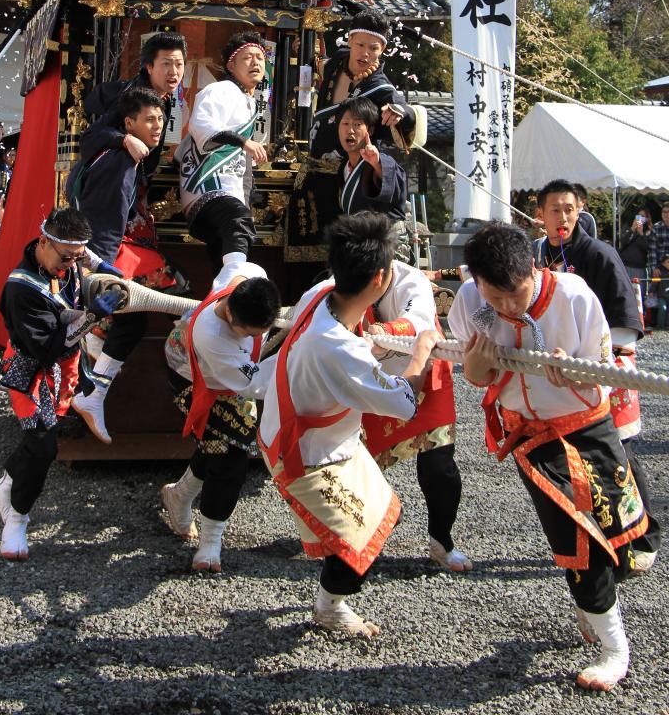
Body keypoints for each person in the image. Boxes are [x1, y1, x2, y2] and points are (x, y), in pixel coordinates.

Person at [450, 222, 651, 692]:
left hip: (586, 426)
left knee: (617, 535)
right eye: (494, 297)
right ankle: (614, 645)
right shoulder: (470, 303)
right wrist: (481, 360)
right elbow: (475, 376)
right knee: (575, 538)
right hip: (531, 437)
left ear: (534, 270)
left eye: (515, 295)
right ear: (476, 281)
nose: (507, 307)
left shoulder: (575, 296)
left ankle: (594, 609)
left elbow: (602, 377)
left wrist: (573, 376)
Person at [259, 212, 439, 637]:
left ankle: (329, 597)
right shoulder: (338, 348)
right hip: (305, 452)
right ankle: (330, 605)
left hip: (322, 437)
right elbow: (404, 403)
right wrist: (422, 350)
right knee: (363, 537)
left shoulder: (322, 293)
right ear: (380, 279)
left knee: (384, 513)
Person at [534, 179, 660, 566]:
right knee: (580, 454)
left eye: (569, 208)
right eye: (554, 209)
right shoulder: (539, 256)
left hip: (607, 364)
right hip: (560, 367)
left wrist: (603, 363)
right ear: (540, 215)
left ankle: (645, 536)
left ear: (581, 209)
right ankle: (605, 532)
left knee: (618, 451)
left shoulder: (601, 254)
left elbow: (624, 317)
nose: (563, 216)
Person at [0, 207, 120, 561]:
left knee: (40, 439)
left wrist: (105, 269)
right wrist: (95, 315)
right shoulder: (21, 288)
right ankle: (16, 519)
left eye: (76, 258)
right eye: (67, 258)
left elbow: (85, 255)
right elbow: (47, 347)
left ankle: (6, 485)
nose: (72, 264)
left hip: (65, 366)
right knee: (44, 446)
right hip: (33, 367)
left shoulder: (65, 257)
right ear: (44, 242)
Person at [161, 259, 280, 573]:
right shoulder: (214, 336)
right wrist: (297, 360)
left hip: (235, 376)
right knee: (230, 454)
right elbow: (255, 383)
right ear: (229, 314)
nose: (255, 336)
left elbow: (236, 260)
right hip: (192, 377)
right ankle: (211, 542)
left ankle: (180, 496)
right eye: (248, 333)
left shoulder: (250, 278)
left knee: (219, 444)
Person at [68, 86, 166, 444]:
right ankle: (92, 394)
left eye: (161, 119)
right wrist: (101, 273)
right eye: (149, 120)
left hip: (87, 249)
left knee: (129, 321)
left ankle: (93, 389)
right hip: (97, 253)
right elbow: (108, 221)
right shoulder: (120, 161)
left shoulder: (101, 152)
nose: (157, 126)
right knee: (130, 319)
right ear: (128, 123)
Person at [361, 254, 471, 573]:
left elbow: (420, 321)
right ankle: (368, 528)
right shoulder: (343, 276)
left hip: (425, 373)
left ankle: (442, 540)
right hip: (374, 379)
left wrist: (381, 333)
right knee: (360, 464)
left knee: (440, 467)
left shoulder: (411, 281)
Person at [178, 31, 269, 275]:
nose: (256, 63)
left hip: (230, 190)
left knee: (224, 250)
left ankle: (218, 301)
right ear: (231, 65)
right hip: (206, 184)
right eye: (247, 57)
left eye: (260, 58)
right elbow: (202, 127)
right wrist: (243, 142)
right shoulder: (220, 90)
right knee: (237, 220)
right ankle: (232, 285)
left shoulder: (247, 100)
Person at [308, 11, 423, 161]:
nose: (365, 53)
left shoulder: (380, 87)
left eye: (373, 48)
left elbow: (404, 109)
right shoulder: (338, 61)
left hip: (352, 167)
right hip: (314, 158)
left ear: (383, 49)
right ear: (350, 40)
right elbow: (315, 65)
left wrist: (399, 112)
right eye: (360, 45)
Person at [79, 31, 187, 187]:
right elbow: (91, 135)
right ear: (149, 66)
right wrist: (126, 140)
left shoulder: (165, 97)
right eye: (166, 64)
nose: (174, 72)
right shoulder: (133, 96)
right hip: (109, 182)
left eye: (179, 64)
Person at [335, 98, 406, 221]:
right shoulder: (343, 167)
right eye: (345, 123)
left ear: (371, 130)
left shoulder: (382, 161)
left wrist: (376, 164)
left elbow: (387, 180)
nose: (350, 130)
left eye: (357, 125)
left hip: (383, 237)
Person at [618, 208, 652, 313]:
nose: (640, 219)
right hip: (626, 266)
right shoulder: (628, 229)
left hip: (639, 268)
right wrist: (632, 229)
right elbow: (622, 242)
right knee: (626, 292)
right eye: (638, 216)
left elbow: (647, 248)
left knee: (639, 294)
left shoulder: (649, 232)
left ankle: (641, 316)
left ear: (647, 219)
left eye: (643, 216)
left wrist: (641, 233)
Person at [647, 201, 669, 330]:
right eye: (664, 212)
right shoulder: (656, 227)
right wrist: (654, 268)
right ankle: (654, 321)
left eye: (668, 212)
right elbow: (652, 250)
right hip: (659, 268)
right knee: (654, 293)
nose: (666, 215)